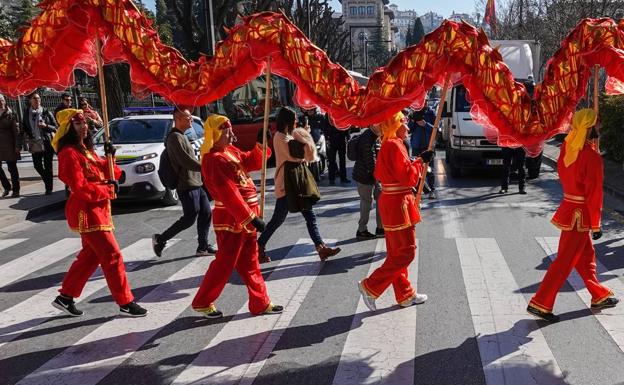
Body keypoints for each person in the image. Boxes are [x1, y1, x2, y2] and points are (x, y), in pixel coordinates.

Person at [51, 108, 147, 317]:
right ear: (68, 128)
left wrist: (111, 157)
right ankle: (125, 301)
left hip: (99, 209)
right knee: (112, 255)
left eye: (84, 123)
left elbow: (108, 172)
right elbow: (80, 186)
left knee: (91, 256)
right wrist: (108, 189)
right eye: (78, 124)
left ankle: (65, 296)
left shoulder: (86, 150)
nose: (84, 126)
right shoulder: (68, 153)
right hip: (87, 212)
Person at [527, 109, 619, 323]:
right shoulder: (591, 156)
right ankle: (540, 302)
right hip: (581, 215)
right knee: (564, 261)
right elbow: (594, 194)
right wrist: (596, 224)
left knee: (586, 258)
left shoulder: (568, 148)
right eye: (597, 125)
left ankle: (598, 295)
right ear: (589, 128)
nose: (600, 128)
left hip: (570, 208)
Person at [191, 114, 283, 318]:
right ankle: (202, 301)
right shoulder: (213, 159)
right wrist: (250, 218)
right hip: (231, 220)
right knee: (225, 263)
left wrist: (260, 144)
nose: (232, 135)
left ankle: (260, 302)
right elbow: (228, 193)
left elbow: (250, 161)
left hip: (246, 218)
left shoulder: (229, 151)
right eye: (226, 132)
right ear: (215, 135)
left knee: (250, 262)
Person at [358, 112, 434, 311]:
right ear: (394, 125)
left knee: (396, 252)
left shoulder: (389, 143)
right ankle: (371, 286)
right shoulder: (394, 144)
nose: (408, 128)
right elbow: (407, 178)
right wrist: (420, 161)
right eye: (403, 123)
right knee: (407, 252)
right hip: (399, 203)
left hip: (393, 201)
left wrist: (417, 160)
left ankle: (405, 294)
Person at [257, 107, 341, 263]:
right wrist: (304, 135)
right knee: (278, 219)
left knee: (310, 215)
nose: (297, 121)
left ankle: (320, 248)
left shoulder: (288, 135)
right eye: (294, 119)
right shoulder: (280, 137)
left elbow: (302, 152)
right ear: (288, 121)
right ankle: (259, 245)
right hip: (287, 184)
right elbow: (296, 154)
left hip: (298, 182)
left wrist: (303, 135)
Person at [152, 106, 216, 258]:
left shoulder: (183, 136)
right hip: (185, 184)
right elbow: (185, 161)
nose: (191, 119)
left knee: (206, 213)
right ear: (178, 119)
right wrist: (205, 167)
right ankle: (160, 239)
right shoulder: (174, 138)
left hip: (196, 182)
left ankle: (203, 246)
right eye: (188, 117)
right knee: (189, 218)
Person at [352, 124, 383, 239]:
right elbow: (370, 160)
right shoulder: (367, 137)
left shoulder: (374, 136)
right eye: (379, 124)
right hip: (364, 176)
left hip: (370, 175)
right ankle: (362, 230)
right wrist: (378, 178)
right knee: (366, 203)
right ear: (373, 125)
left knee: (380, 199)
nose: (382, 126)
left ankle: (380, 228)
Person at [22, 93, 57, 194]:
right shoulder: (26, 113)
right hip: (34, 142)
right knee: (37, 165)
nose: (37, 100)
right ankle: (47, 180)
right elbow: (24, 126)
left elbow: (55, 127)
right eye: (35, 98)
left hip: (46, 142)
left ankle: (49, 188)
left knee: (48, 166)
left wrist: (46, 126)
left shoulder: (46, 112)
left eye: (38, 98)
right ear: (30, 101)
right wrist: (26, 134)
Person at [409, 109, 437, 199]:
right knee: (416, 169)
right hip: (416, 146)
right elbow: (409, 129)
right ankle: (417, 192)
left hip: (428, 145)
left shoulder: (431, 113)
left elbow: (436, 129)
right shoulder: (414, 113)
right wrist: (413, 121)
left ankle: (432, 190)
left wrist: (425, 125)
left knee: (429, 169)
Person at [0, 94, 21, 198]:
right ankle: (7, 187)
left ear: (4, 101)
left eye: (1, 100)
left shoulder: (10, 113)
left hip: (9, 145)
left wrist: (17, 146)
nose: (0, 102)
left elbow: (16, 131)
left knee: (12, 168)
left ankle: (16, 190)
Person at [325, 114, 350, 185]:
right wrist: (327, 138)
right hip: (331, 139)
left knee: (342, 160)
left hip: (341, 138)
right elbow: (325, 126)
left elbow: (346, 125)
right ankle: (331, 179)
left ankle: (343, 178)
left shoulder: (340, 111)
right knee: (331, 160)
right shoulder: (328, 114)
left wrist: (347, 137)